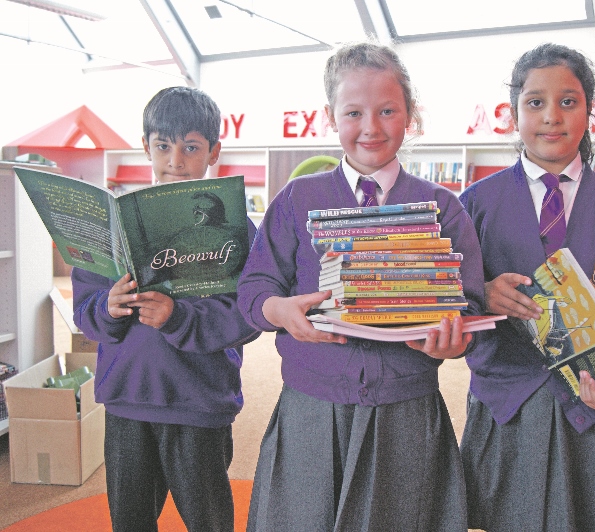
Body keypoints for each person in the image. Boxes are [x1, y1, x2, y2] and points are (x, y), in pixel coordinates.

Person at [237, 41, 484, 531]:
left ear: (409, 115)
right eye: (354, 112)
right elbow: (254, 288)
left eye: (387, 110)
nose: (371, 127)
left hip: (405, 411)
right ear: (331, 117)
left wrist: (454, 340)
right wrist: (277, 310)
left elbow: (470, 303)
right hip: (311, 406)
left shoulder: (443, 207)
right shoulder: (297, 199)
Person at [458, 43, 595, 531]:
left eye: (568, 101)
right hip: (505, 398)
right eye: (535, 102)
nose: (551, 117)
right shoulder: (474, 205)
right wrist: (481, 292)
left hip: (593, 403)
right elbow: (444, 296)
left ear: (589, 111)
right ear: (514, 114)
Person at [72, 86, 260, 532]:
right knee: (130, 521)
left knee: (208, 518)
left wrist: (179, 318)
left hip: (199, 398)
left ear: (213, 152)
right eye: (163, 145)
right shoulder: (114, 223)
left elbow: (249, 316)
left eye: (190, 147)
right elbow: (84, 309)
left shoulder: (237, 229)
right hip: (127, 398)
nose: (175, 160)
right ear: (146, 147)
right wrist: (107, 307)